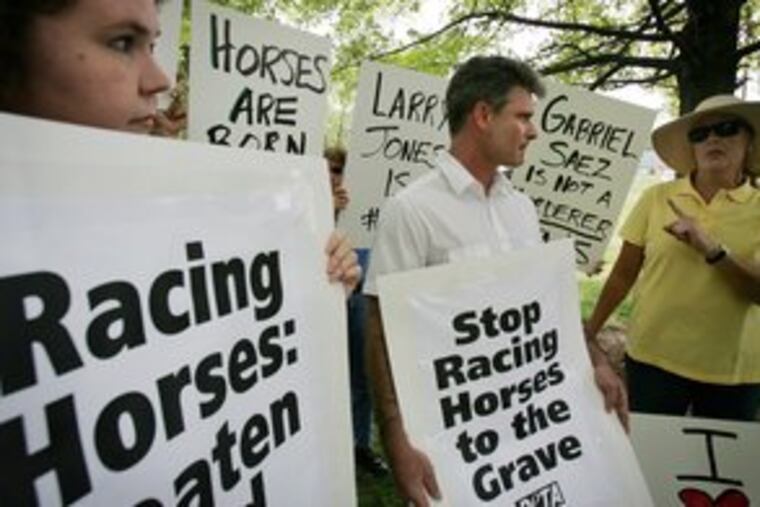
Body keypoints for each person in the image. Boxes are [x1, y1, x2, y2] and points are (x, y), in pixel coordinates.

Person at [363, 55, 628, 506]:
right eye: (523, 116)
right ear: (483, 115)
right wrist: (395, 437)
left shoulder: (520, 207)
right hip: (453, 436)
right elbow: (380, 327)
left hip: (528, 425)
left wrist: (596, 360)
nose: (535, 131)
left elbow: (547, 304)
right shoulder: (412, 210)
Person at [0, 0, 360, 294]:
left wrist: (320, 288)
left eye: (152, 46)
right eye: (122, 42)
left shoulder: (167, 217)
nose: (161, 80)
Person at [585, 94, 760, 421]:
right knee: (653, 463)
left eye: (726, 128)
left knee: (721, 468)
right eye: (700, 134)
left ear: (749, 141)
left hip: (735, 372)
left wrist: (712, 249)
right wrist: (591, 330)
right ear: (692, 149)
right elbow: (624, 273)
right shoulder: (656, 197)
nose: (713, 139)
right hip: (653, 360)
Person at [324, 146, 389, 477]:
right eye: (331, 169)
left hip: (362, 293)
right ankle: (325, 447)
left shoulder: (366, 205)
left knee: (361, 373)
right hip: (325, 293)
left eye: (341, 170)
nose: (336, 177)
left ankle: (360, 445)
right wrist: (326, 210)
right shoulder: (308, 202)